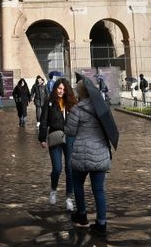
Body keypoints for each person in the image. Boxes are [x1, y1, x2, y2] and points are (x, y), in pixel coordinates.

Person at [67, 79, 112, 236]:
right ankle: (101, 222)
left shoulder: (77, 110)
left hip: (82, 153)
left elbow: (70, 132)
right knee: (99, 189)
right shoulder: (102, 108)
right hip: (100, 154)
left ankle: (82, 214)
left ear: (79, 93)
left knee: (78, 185)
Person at [38, 78, 76, 211]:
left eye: (64, 89)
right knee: (57, 168)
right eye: (59, 88)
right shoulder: (49, 102)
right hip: (55, 137)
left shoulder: (71, 103)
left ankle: (68, 198)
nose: (61, 91)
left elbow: (77, 121)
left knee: (70, 169)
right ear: (55, 88)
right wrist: (42, 138)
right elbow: (43, 121)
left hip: (70, 138)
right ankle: (53, 190)